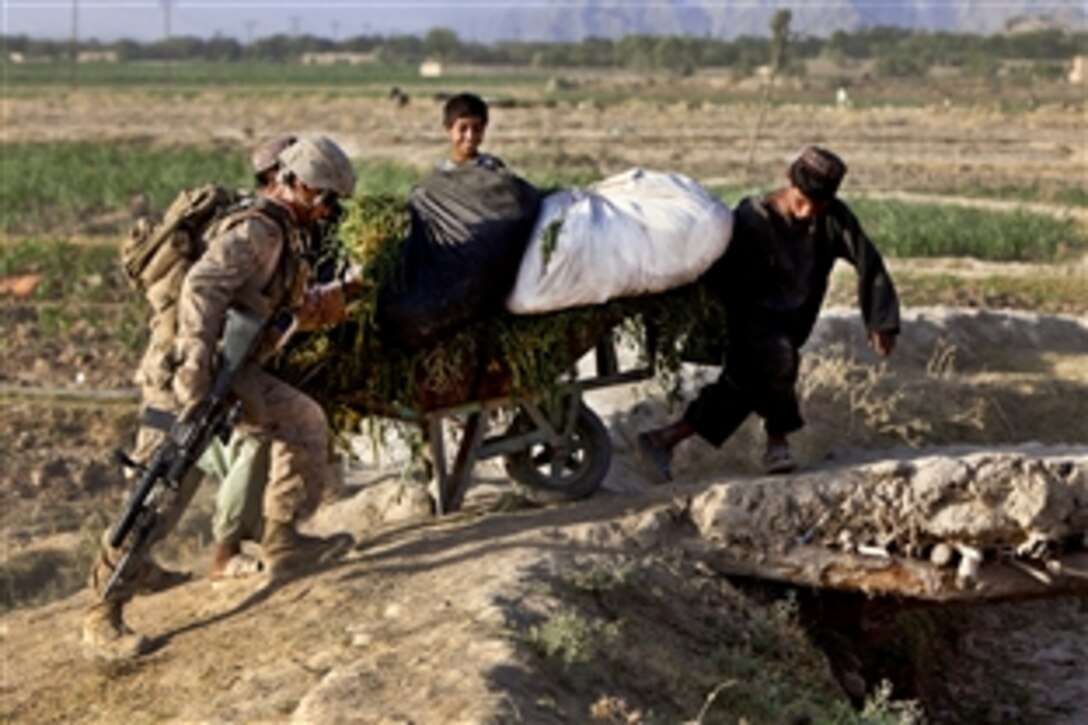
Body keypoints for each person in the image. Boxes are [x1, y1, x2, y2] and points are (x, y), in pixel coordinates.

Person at [83, 134, 360, 661]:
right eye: (324, 198)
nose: (329, 210)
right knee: (161, 487)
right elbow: (201, 289)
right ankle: (103, 612)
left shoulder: (289, 234)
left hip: (232, 373)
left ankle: (284, 542)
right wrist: (193, 375)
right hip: (185, 376)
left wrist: (338, 300)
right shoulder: (257, 229)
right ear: (295, 184)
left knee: (302, 420)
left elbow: (285, 311)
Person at [638, 146, 899, 479]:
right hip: (745, 320)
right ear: (789, 180)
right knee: (777, 358)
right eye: (802, 201)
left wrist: (881, 321)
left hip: (792, 322)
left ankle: (664, 439)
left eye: (816, 205)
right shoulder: (752, 218)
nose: (807, 212)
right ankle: (777, 443)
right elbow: (718, 276)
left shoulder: (833, 218)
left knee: (743, 386)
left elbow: (869, 263)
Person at [438, 92, 506, 172]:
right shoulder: (441, 176)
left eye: (476, 129)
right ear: (448, 129)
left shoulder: (495, 169)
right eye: (462, 129)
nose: (470, 136)